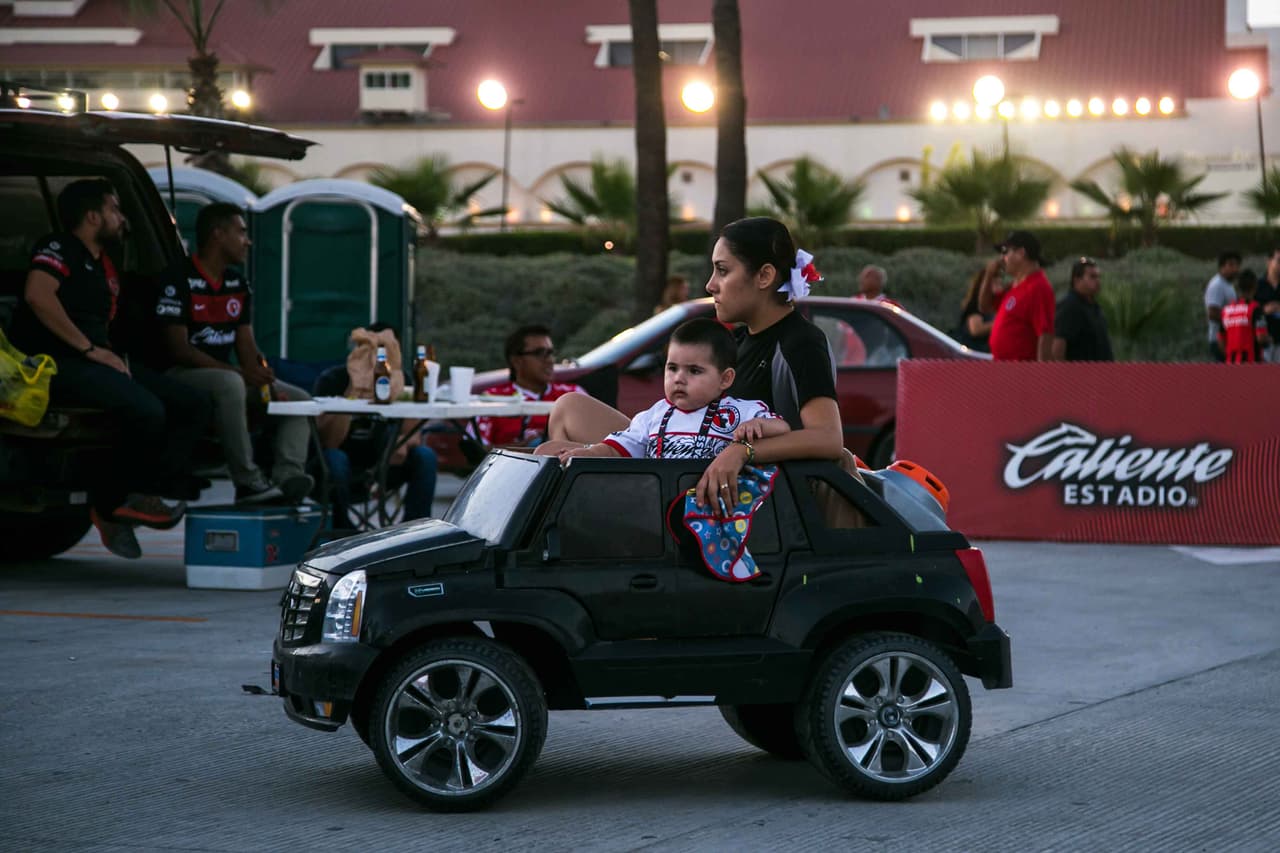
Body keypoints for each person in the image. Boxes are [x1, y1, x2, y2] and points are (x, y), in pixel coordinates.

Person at [537, 216, 844, 513]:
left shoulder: (800, 341)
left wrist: (743, 452)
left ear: (764, 276)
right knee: (567, 412)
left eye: (723, 271)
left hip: (749, 493)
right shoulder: (737, 340)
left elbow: (828, 438)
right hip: (686, 456)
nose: (710, 285)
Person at [6, 178, 203, 558]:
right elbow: (37, 294)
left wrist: (113, 353)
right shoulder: (59, 247)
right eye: (115, 209)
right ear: (93, 216)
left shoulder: (105, 264)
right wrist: (88, 348)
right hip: (57, 362)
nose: (122, 218)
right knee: (146, 410)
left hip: (100, 356)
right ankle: (112, 502)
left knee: (192, 403)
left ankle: (153, 491)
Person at [155, 202, 313, 504]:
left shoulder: (236, 284)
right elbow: (179, 350)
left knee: (299, 400)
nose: (248, 241)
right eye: (241, 232)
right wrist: (240, 374)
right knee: (231, 384)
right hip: (180, 377)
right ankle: (246, 480)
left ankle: (288, 476)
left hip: (229, 377)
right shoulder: (178, 278)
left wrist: (260, 373)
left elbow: (246, 343)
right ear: (218, 234)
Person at [558, 318, 788, 462]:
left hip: (714, 517)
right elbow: (616, 449)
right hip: (656, 510)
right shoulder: (653, 416)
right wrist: (588, 453)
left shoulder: (740, 412)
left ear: (725, 379)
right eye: (672, 368)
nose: (679, 378)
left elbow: (783, 428)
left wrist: (760, 425)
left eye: (694, 371)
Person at [312, 323, 438, 530]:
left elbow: (414, 434)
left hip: (384, 464)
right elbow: (329, 441)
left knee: (424, 456)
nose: (375, 359)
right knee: (335, 459)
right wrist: (355, 387)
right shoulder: (333, 380)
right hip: (341, 465)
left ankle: (415, 529)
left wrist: (401, 443)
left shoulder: (400, 378)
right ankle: (341, 530)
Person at [471, 324, 585, 449]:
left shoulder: (573, 394)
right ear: (516, 361)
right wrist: (521, 448)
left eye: (550, 353)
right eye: (540, 353)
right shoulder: (491, 398)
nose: (550, 360)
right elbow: (473, 450)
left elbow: (596, 441)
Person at [981, 230, 1056, 361]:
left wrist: (1043, 376)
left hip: (1021, 374)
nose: (1002, 258)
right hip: (1004, 369)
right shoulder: (1015, 286)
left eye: (1005, 251)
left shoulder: (1038, 287)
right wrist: (988, 275)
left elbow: (1045, 335)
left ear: (1021, 253)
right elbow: (984, 306)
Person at [1052, 257, 1114, 361]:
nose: (1098, 281)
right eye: (1092, 277)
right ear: (1077, 280)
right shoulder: (1070, 306)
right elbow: (1058, 346)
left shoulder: (1093, 306)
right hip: (1081, 374)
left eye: (1098, 277)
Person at [1218, 270, 1270, 363]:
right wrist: (1269, 340)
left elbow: (1221, 341)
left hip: (1230, 364)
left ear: (1237, 288)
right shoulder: (1255, 309)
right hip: (1251, 363)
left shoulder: (1226, 310)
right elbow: (1261, 338)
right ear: (1255, 287)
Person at [1203, 250, 1241, 362]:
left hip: (1229, 339)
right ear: (1221, 267)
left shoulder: (1228, 285)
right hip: (1219, 340)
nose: (1235, 269)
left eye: (1237, 265)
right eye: (1230, 265)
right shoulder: (1217, 285)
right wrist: (1236, 320)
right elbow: (1213, 313)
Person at [955, 261, 999, 352]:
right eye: (996, 283)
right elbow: (975, 329)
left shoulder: (994, 307)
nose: (1000, 287)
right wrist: (1001, 322)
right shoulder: (975, 307)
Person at [1256, 249, 1280, 362]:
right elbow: (1248, 309)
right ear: (1269, 262)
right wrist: (1264, 310)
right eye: (1279, 261)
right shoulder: (1258, 285)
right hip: (1264, 342)